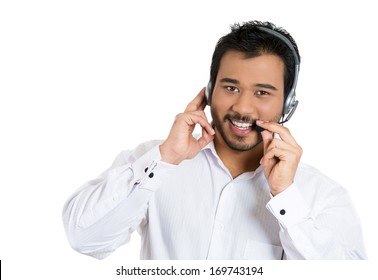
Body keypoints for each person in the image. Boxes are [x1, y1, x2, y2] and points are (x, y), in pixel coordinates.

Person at [62, 20, 366, 260]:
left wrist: (286, 197)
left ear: (287, 105)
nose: (243, 108)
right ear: (209, 91)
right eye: (231, 88)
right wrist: (165, 159)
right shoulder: (155, 160)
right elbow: (83, 239)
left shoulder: (321, 196)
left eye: (262, 92)